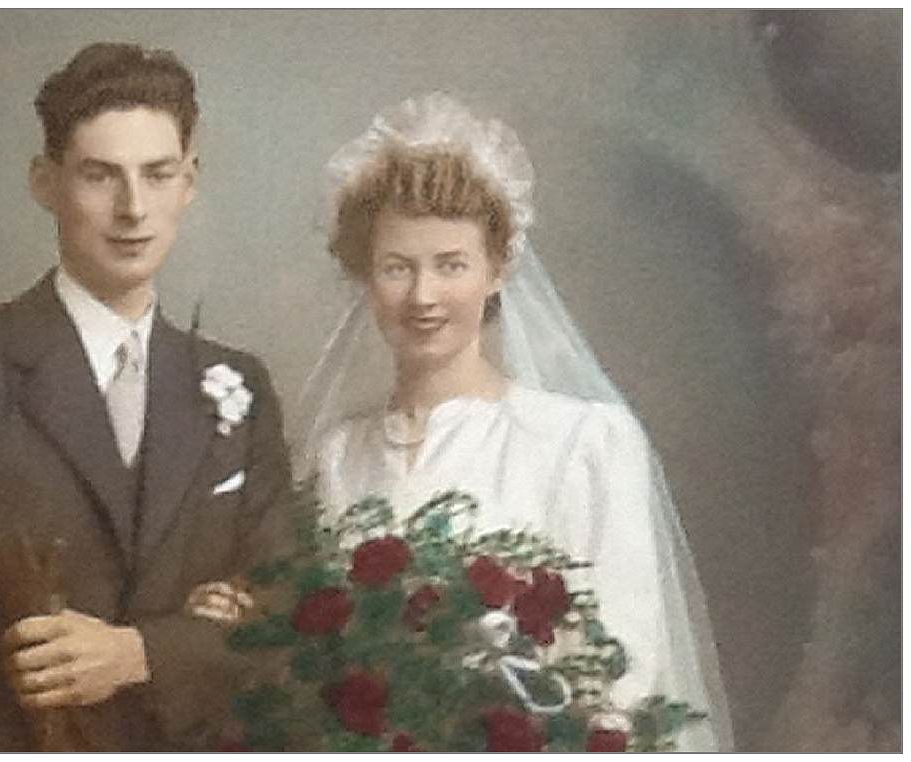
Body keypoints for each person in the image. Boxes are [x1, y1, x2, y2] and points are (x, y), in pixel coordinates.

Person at [191, 92, 733, 750]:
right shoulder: (338, 456)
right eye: (397, 268)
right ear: (365, 278)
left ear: (498, 269)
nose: (423, 297)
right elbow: (316, 664)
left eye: (451, 265)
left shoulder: (584, 443)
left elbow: (628, 681)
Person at [0, 42, 291, 751]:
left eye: (157, 174)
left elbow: (285, 622)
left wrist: (140, 653)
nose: (133, 208)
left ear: (189, 182)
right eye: (99, 175)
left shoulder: (240, 388)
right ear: (45, 182)